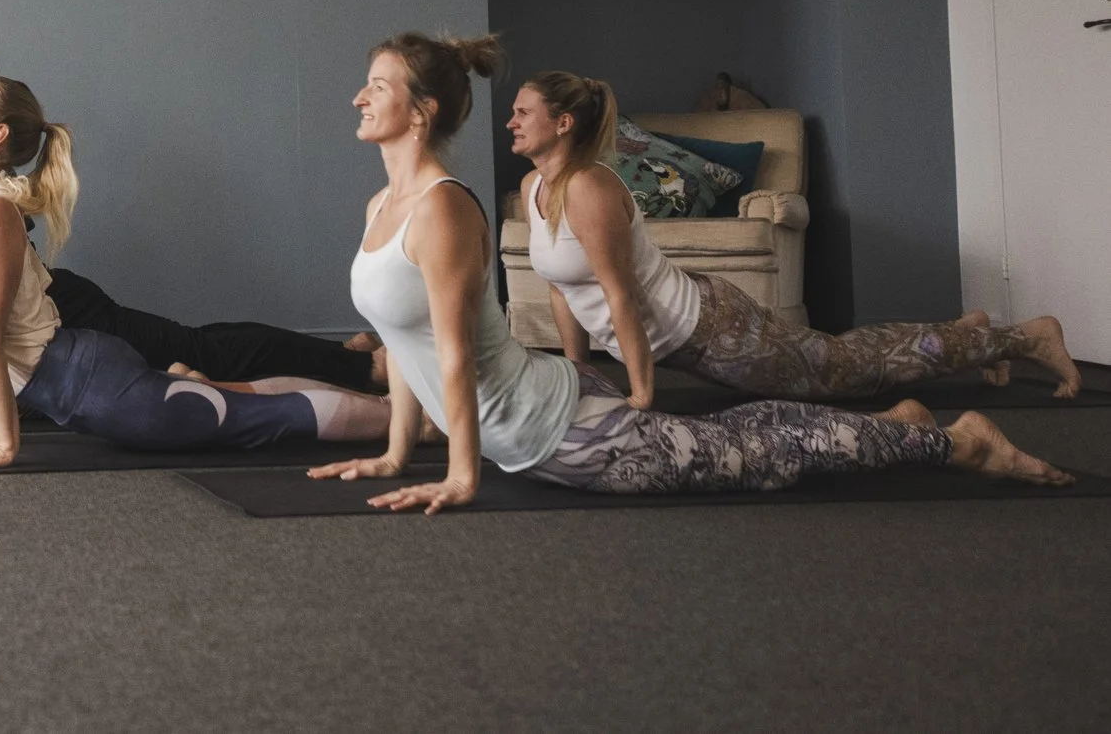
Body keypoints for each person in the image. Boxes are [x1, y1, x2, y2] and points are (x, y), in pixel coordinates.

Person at [308, 34, 1067, 512]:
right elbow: (401, 342)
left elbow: (454, 353)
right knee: (784, 408)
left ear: (422, 108)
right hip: (553, 402)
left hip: (565, 425)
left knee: (754, 450)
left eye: (377, 84)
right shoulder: (386, 202)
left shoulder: (443, 210)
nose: (358, 95)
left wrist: (463, 476)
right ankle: (897, 420)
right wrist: (398, 451)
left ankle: (957, 439)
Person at [511, 70, 1081, 405]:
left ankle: (1022, 338)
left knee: (844, 371)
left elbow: (619, 294)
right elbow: (563, 289)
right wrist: (578, 369)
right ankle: (967, 334)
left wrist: (640, 393)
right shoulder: (536, 184)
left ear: (563, 123)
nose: (511, 122)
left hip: (710, 327)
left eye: (522, 112)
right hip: (689, 332)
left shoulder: (591, 189)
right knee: (842, 361)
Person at [0, 74, 387, 472]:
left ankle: (416, 421)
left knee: (261, 417)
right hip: (83, 378)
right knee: (235, 395)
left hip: (100, 389)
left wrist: (4, 447)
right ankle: (202, 381)